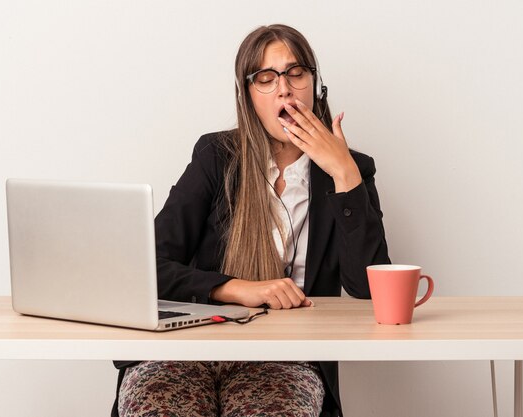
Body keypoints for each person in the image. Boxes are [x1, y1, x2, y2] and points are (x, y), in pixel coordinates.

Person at [112, 24, 390, 417]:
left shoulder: (352, 170)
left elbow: (369, 289)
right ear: (248, 96)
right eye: (266, 77)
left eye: (296, 73)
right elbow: (144, 266)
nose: (285, 89)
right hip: (189, 349)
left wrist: (345, 175)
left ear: (316, 85)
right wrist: (234, 289)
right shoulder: (215, 157)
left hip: (286, 359)